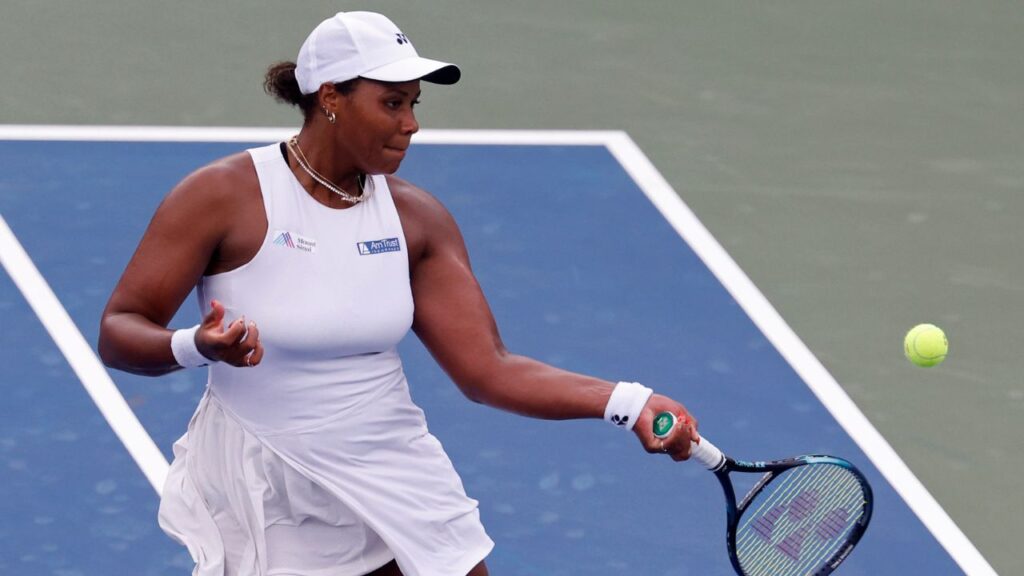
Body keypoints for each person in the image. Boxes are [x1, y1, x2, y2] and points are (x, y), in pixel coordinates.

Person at [98, 11, 699, 576]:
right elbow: (121, 329)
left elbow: (488, 370)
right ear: (330, 96)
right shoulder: (223, 196)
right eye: (391, 102)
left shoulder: (416, 220)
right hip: (268, 471)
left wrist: (629, 401)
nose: (411, 122)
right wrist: (197, 344)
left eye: (414, 103)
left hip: (393, 461)